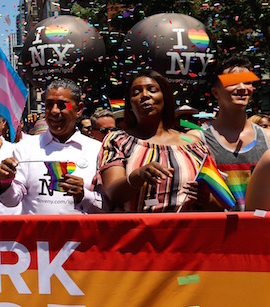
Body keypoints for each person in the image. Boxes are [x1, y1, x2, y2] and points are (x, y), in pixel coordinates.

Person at [94, 70, 209, 212]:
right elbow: (113, 193)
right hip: (138, 230)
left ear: (165, 97)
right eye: (136, 93)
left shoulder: (195, 145)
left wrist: (206, 198)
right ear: (129, 104)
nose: (145, 95)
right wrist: (138, 175)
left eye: (152, 90)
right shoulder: (118, 141)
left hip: (189, 231)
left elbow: (220, 202)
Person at [0, 79, 102, 214]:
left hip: (81, 234)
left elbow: (108, 205)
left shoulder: (97, 150)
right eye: (49, 105)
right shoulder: (25, 148)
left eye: (62, 106)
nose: (54, 111)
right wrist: (6, 182)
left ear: (79, 109)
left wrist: (84, 195)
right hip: (38, 234)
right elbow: (11, 201)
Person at [203, 56, 270, 211]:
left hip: (260, 231)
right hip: (218, 232)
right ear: (215, 92)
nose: (242, 88)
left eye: (247, 82)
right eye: (232, 82)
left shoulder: (268, 138)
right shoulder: (199, 140)